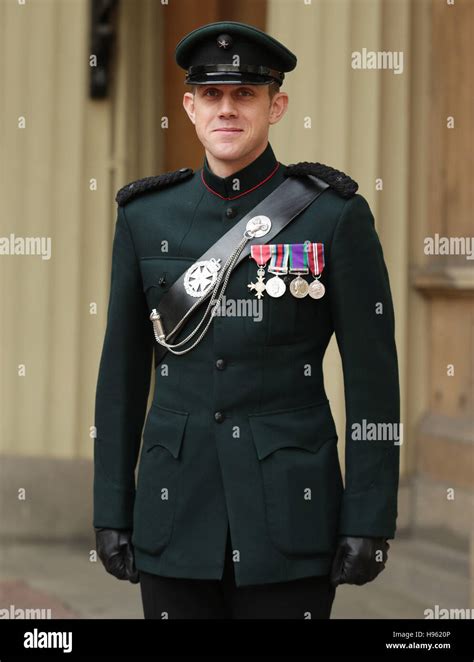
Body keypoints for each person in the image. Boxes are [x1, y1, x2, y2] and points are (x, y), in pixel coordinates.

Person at [93, 20, 400, 619]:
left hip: (291, 518)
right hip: (173, 510)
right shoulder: (144, 216)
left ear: (275, 105)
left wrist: (369, 515)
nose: (226, 109)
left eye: (245, 95)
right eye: (211, 94)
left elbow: (374, 381)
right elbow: (121, 375)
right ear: (189, 106)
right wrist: (110, 507)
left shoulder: (332, 216)